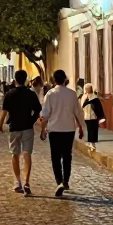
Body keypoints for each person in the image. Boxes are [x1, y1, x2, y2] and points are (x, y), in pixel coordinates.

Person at [40, 69, 85, 197]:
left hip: (54, 130)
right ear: (65, 79)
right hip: (68, 129)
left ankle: (58, 181)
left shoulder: (50, 94)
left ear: (54, 80)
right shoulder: (72, 94)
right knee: (67, 156)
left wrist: (43, 129)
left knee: (55, 156)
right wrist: (81, 128)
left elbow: (45, 114)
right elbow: (78, 112)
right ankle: (66, 181)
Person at [0, 69, 42, 196]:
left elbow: (4, 111)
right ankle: (27, 182)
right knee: (27, 154)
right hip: (27, 127)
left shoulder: (10, 94)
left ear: (15, 80)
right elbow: (38, 110)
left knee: (15, 154)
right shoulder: (31, 94)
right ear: (26, 79)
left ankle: (18, 182)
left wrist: (0, 125)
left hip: (14, 127)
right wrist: (32, 121)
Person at [79, 83, 105, 151]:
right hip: (86, 116)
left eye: (88, 88)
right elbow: (81, 106)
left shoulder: (95, 97)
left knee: (94, 129)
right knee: (89, 129)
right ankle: (90, 142)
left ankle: (93, 142)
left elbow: (99, 107)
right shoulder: (84, 97)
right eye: (86, 88)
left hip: (94, 116)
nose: (87, 90)